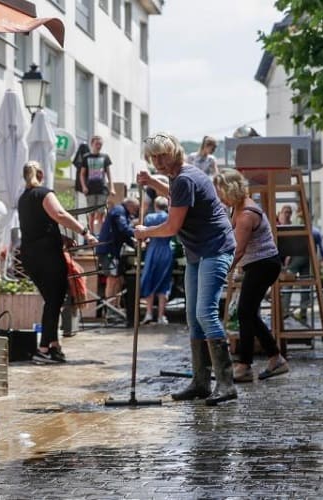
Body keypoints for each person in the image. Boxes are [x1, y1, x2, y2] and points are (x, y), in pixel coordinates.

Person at [135, 132, 237, 406]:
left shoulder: (186, 177)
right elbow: (175, 194)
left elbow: (171, 227)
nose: (157, 160)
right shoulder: (177, 175)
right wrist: (151, 182)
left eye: (161, 155)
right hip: (197, 251)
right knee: (193, 316)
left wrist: (146, 233)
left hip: (215, 248)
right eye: (153, 156)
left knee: (205, 313)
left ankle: (226, 384)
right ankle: (201, 382)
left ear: (174, 152)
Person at [17, 161, 97, 364]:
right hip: (48, 256)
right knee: (54, 301)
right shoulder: (44, 193)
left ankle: (53, 346)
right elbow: (60, 214)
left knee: (52, 301)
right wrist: (85, 232)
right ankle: (43, 348)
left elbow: (36, 227)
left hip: (30, 256)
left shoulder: (23, 198)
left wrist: (61, 238)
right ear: (41, 174)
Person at [213, 169, 288, 383]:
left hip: (264, 265)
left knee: (245, 312)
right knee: (248, 313)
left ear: (232, 189)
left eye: (222, 192)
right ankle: (275, 358)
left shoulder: (246, 213)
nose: (220, 197)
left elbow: (238, 250)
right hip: (256, 264)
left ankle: (244, 365)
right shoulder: (236, 208)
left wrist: (223, 271)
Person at [96, 197, 139, 320]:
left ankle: (116, 307)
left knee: (119, 279)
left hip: (114, 251)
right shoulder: (119, 211)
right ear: (130, 205)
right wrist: (139, 233)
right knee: (112, 278)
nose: (134, 213)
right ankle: (110, 311)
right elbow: (123, 229)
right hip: (109, 251)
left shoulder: (121, 212)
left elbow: (122, 234)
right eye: (135, 209)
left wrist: (134, 244)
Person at [140, 196, 174, 325]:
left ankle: (149, 313)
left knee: (150, 279)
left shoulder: (149, 218)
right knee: (164, 283)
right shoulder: (169, 217)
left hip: (153, 250)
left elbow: (144, 236)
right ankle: (161, 316)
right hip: (166, 250)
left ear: (155, 205)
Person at [79, 135, 116, 235]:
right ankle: (91, 234)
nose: (99, 146)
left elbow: (108, 173)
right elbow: (82, 174)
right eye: (97, 144)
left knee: (101, 213)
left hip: (102, 189)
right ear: (92, 144)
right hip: (90, 189)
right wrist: (84, 186)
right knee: (91, 214)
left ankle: (101, 234)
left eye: (100, 144)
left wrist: (111, 187)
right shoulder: (86, 157)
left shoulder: (105, 157)